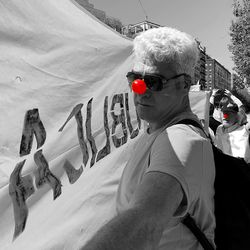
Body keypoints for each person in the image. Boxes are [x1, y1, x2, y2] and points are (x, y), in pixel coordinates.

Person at [81, 27, 215, 250]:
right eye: (135, 79)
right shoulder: (156, 129)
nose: (140, 91)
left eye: (153, 82)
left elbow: (144, 221)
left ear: (184, 85)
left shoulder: (183, 140)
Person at [214, 97, 250, 163]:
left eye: (229, 112)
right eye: (223, 112)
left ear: (236, 115)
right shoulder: (219, 129)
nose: (225, 116)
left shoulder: (245, 130)